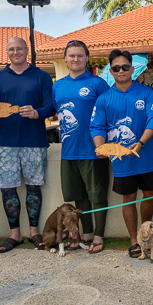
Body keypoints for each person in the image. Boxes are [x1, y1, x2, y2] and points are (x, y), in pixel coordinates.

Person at [0, 36, 55, 253]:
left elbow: (51, 106)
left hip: (35, 141)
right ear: (7, 52)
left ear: (26, 50)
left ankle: (34, 232)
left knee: (33, 187)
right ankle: (15, 235)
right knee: (8, 189)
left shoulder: (41, 76)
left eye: (19, 48)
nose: (16, 52)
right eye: (11, 49)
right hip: (6, 142)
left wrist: (38, 112)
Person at [91, 49, 153, 258]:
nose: (121, 71)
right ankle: (134, 241)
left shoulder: (146, 93)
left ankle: (145, 236)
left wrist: (140, 143)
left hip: (147, 156)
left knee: (149, 195)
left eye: (125, 67)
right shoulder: (104, 99)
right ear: (110, 71)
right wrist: (101, 147)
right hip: (121, 160)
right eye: (115, 68)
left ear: (132, 69)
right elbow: (96, 127)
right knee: (129, 200)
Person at [53, 40, 110, 254]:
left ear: (87, 58)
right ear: (65, 58)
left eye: (80, 55)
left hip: (93, 150)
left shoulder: (98, 84)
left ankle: (99, 234)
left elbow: (108, 112)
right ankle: (85, 232)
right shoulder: (58, 86)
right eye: (71, 55)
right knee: (79, 195)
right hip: (68, 151)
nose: (75, 59)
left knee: (97, 195)